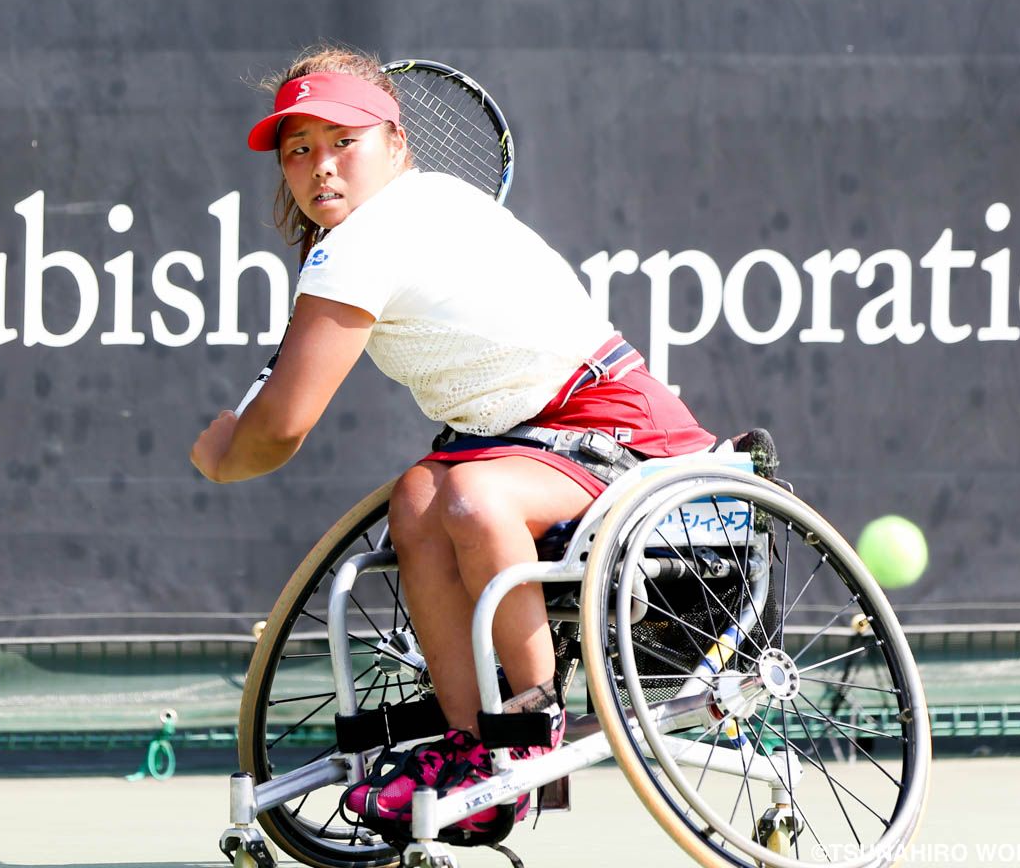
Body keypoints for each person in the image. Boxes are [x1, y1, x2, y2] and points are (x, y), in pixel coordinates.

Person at [190, 45, 717, 836]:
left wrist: (223, 455)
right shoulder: (400, 215)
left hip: (623, 432)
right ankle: (469, 747)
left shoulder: (369, 238)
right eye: (298, 149)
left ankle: (528, 732)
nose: (320, 165)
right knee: (417, 495)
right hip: (522, 445)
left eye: (343, 141)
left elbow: (279, 431)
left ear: (396, 143)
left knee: (470, 495)